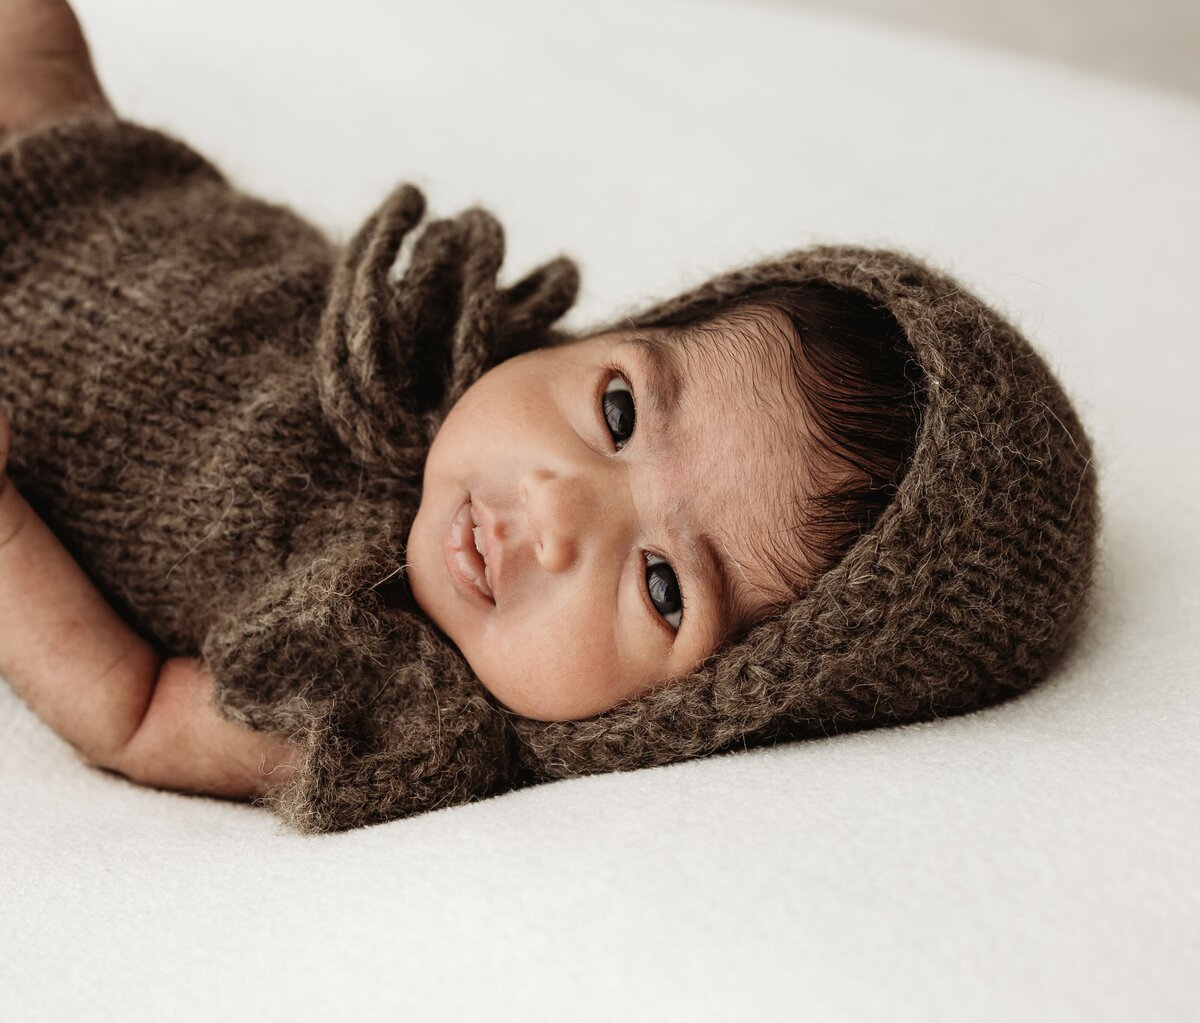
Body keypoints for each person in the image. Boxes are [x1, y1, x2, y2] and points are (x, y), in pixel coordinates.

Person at [0, 0, 1100, 833]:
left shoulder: (392, 712)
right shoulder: (439, 355)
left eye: (662, 585)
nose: (559, 507)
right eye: (618, 411)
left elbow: (132, 710)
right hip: (93, 158)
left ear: (686, 721)